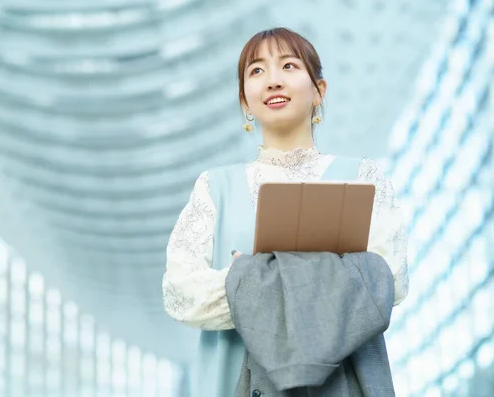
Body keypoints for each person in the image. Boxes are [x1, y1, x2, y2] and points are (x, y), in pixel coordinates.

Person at [162, 27, 409, 396]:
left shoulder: (363, 177)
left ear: (318, 91)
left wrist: (248, 276)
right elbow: (181, 294)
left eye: (289, 66)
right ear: (245, 101)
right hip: (237, 381)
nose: (273, 81)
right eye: (257, 71)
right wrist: (328, 281)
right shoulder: (214, 188)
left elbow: (389, 282)